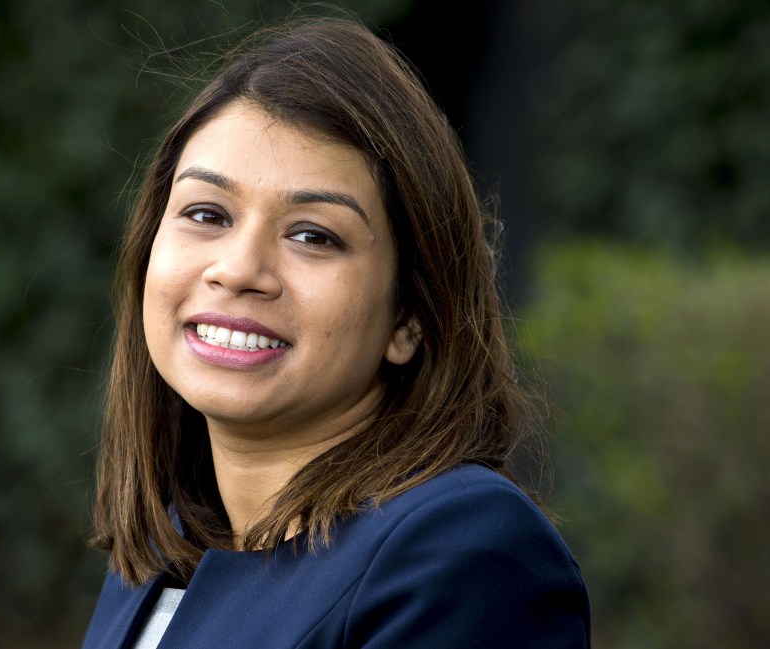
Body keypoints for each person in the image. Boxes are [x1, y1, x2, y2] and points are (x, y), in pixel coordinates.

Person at [82, 15, 590, 649]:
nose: (239, 269)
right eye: (206, 214)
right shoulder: (161, 550)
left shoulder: (461, 552)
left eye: (313, 235)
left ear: (409, 317)